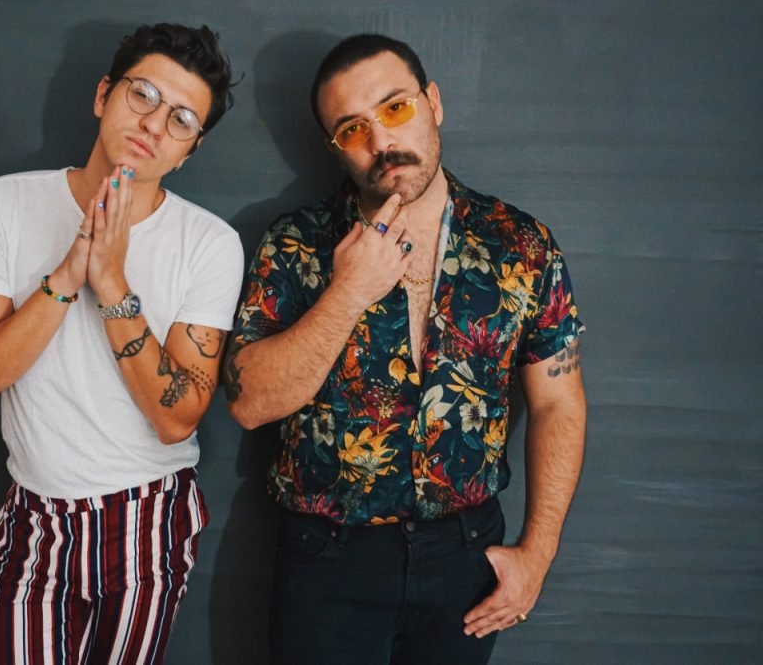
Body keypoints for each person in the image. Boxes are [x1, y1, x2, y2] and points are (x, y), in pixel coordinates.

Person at [225, 34, 586, 664]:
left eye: (395, 108)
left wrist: (539, 552)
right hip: (328, 560)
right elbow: (250, 404)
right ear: (334, 146)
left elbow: (559, 402)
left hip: (467, 557)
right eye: (352, 128)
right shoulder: (295, 244)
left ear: (433, 102)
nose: (381, 142)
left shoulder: (521, 245)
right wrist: (348, 292)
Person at [0, 23, 242, 665]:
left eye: (182, 119)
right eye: (143, 94)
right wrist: (68, 274)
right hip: (34, 515)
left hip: (147, 516)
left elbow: (176, 418)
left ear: (188, 152)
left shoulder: (210, 244)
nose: (155, 123)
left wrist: (110, 283)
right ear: (104, 94)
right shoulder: (3, 204)